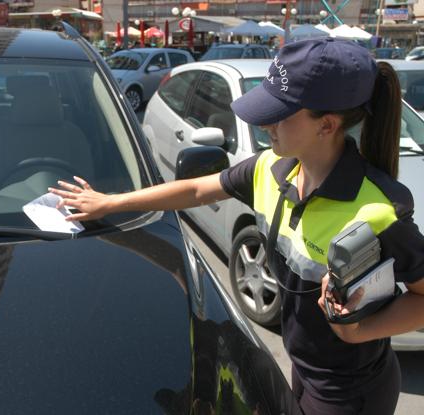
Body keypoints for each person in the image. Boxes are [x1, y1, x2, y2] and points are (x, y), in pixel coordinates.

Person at [49, 37, 424, 414]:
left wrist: (357, 330)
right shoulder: (269, 170)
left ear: (326, 125)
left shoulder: (378, 210)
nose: (265, 124)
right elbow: (197, 189)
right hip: (304, 370)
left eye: (280, 114)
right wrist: (110, 202)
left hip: (350, 393)